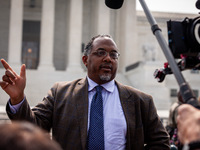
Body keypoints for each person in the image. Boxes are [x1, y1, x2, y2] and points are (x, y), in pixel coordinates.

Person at [0, 34, 170, 150]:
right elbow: (32, 127)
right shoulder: (61, 93)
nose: (108, 58)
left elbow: (161, 142)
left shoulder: (141, 101)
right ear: (85, 60)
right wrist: (18, 98)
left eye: (114, 55)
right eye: (101, 52)